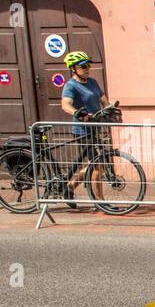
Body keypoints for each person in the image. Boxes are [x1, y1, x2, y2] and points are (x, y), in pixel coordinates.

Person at [58, 51, 111, 198]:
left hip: (96, 127)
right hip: (82, 130)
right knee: (97, 166)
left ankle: (70, 185)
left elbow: (104, 102)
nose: (87, 68)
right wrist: (77, 112)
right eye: (83, 66)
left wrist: (111, 111)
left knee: (94, 164)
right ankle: (99, 202)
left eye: (88, 65)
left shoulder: (93, 82)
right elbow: (65, 104)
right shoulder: (71, 85)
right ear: (73, 68)